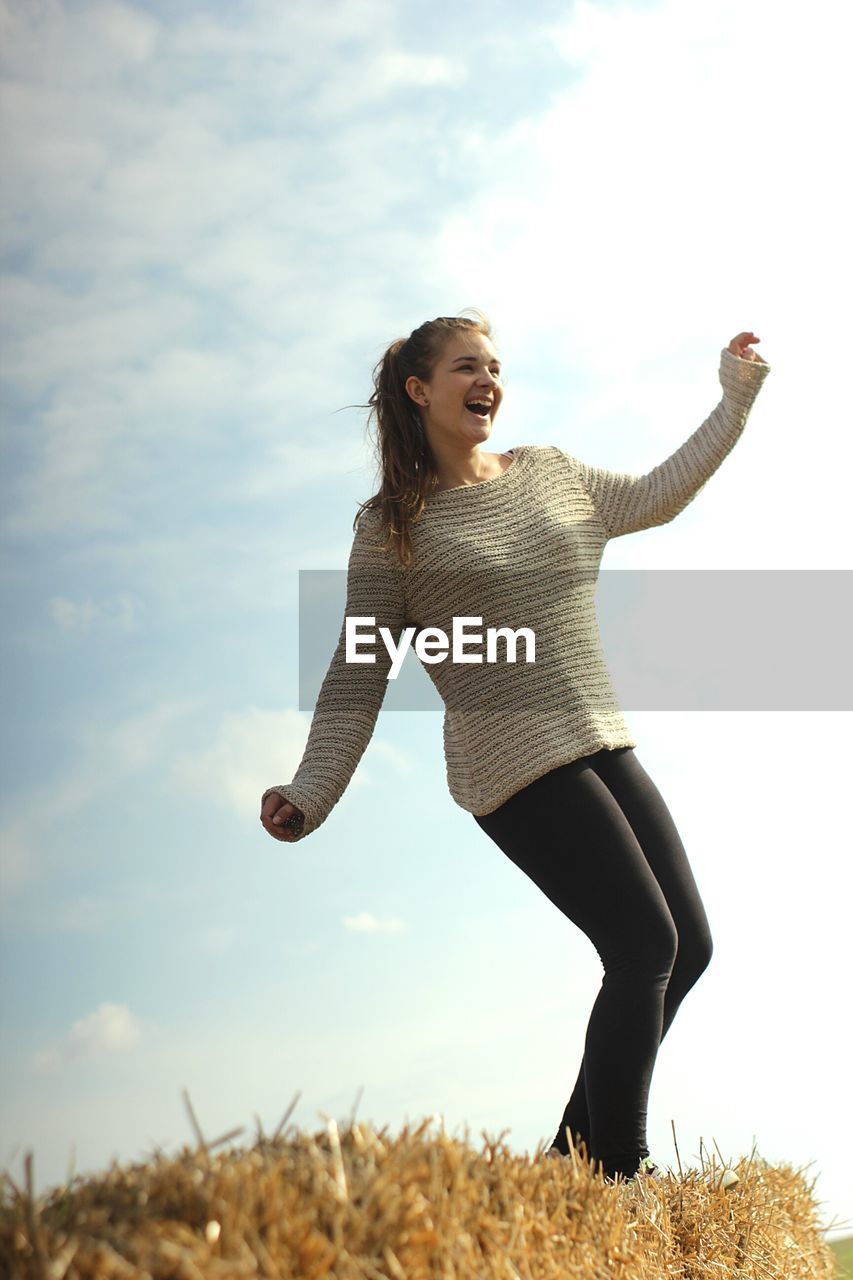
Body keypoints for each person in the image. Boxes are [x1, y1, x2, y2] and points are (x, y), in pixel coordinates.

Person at [259, 311, 771, 1184]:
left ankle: (565, 1168)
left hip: (599, 738)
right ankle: (619, 1173)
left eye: (493, 365)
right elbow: (357, 672)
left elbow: (658, 492)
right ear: (419, 390)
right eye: (466, 366)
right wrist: (311, 790)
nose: (486, 379)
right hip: (512, 764)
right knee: (643, 944)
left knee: (689, 944)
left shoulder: (550, 474)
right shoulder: (394, 528)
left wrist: (732, 400)